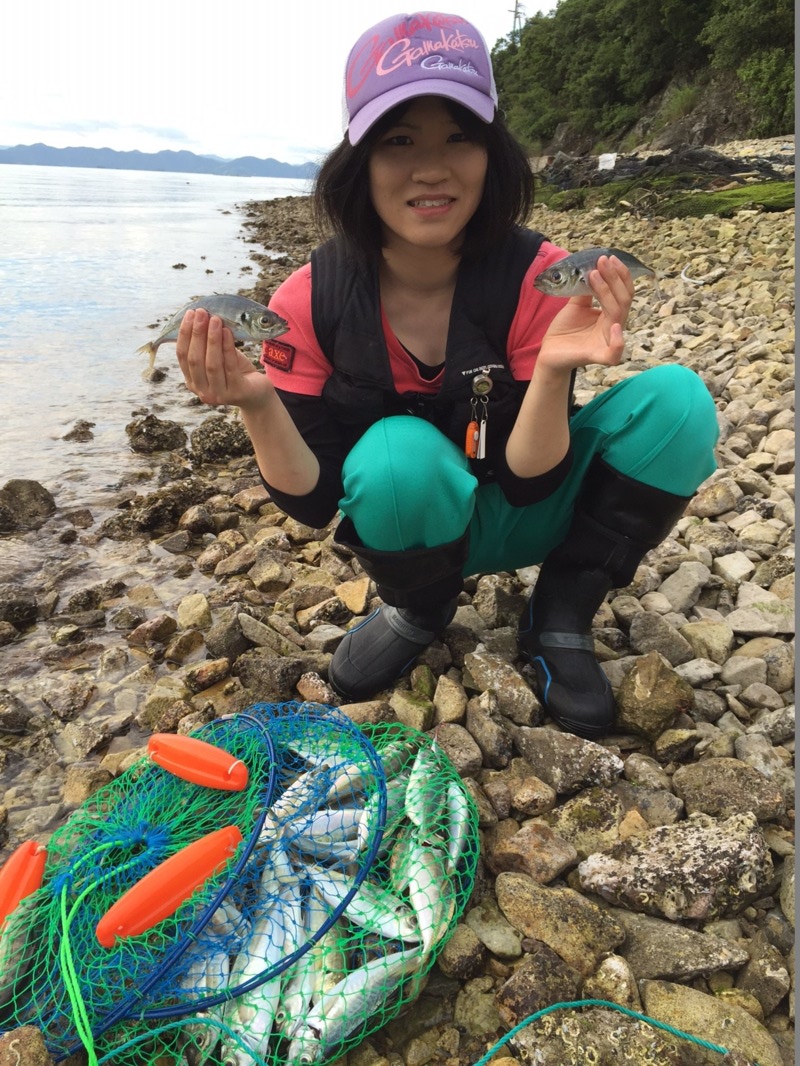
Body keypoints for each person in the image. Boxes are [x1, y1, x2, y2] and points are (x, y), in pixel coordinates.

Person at [175, 11, 718, 739]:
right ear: (359, 161)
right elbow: (314, 503)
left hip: (530, 504)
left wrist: (553, 370)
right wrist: (256, 403)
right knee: (397, 453)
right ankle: (419, 608)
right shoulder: (308, 301)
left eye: (459, 137)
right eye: (399, 141)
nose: (431, 168)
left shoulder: (539, 277)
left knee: (679, 402)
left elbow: (529, 483)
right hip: (412, 528)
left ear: (492, 153)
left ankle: (561, 611)